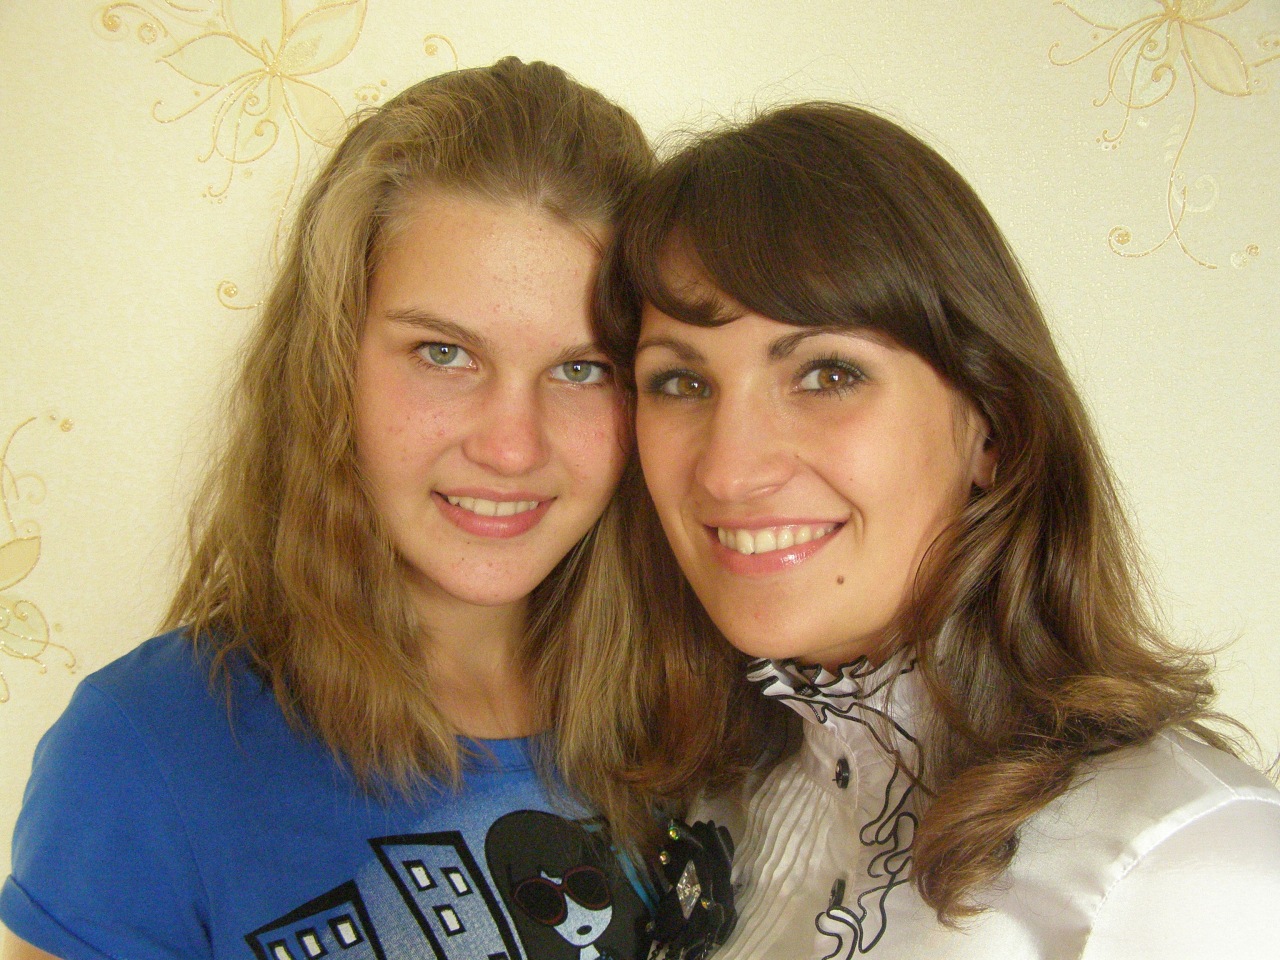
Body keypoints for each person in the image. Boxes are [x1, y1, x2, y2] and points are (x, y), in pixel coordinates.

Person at [1, 57, 683, 960]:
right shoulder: (145, 752)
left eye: (582, 368)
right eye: (443, 353)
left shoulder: (710, 705)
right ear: (328, 368)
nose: (512, 447)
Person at [597, 102, 1280, 959]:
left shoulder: (1185, 868)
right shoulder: (705, 805)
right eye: (680, 383)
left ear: (993, 425)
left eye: (828, 374)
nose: (728, 471)